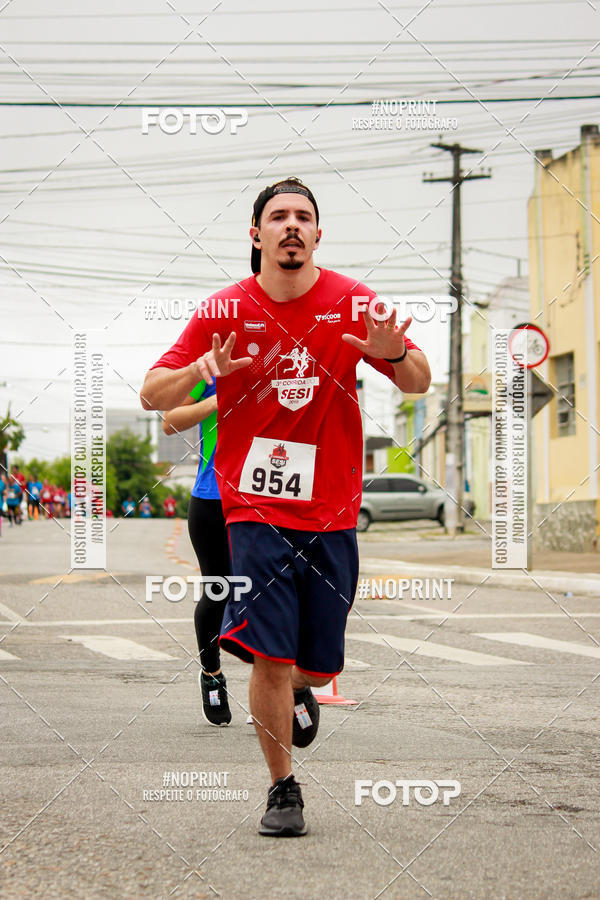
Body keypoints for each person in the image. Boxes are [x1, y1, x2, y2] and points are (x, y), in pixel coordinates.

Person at [140, 176, 431, 837]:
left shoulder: (353, 301)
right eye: (279, 216)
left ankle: (304, 685)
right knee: (269, 655)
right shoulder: (224, 311)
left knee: (315, 661)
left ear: (318, 234)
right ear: (257, 235)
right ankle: (282, 789)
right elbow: (154, 395)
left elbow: (417, 382)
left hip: (330, 510)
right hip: (252, 508)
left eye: (304, 216)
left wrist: (395, 355)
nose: (291, 225)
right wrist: (199, 372)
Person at [162, 381, 232, 727]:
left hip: (268, 499)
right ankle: (211, 672)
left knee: (272, 592)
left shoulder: (280, 364)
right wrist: (218, 400)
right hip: (213, 499)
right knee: (219, 589)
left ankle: (283, 686)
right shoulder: (212, 371)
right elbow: (169, 420)